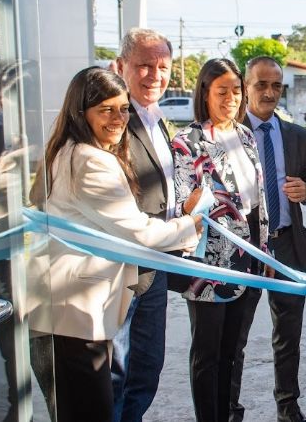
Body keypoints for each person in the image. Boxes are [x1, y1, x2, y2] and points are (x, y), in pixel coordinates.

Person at [27, 67, 201, 422]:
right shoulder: (91, 162)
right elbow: (139, 234)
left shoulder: (65, 152)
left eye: (123, 109)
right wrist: (191, 223)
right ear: (81, 111)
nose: (118, 118)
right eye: (106, 109)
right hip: (75, 319)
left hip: (65, 316)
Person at [171, 58, 268, 422]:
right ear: (205, 94)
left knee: (232, 351)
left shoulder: (244, 135)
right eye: (221, 91)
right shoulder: (187, 142)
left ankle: (229, 414)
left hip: (248, 264)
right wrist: (191, 203)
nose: (230, 98)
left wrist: (264, 256)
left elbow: (256, 202)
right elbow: (183, 205)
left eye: (236, 90)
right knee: (207, 354)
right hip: (207, 267)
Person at [230, 56, 306, 422]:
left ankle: (288, 406)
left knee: (288, 335)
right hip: (244, 249)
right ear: (246, 87)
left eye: (275, 86)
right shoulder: (228, 133)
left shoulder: (295, 135)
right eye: (260, 84)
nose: (268, 92)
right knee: (235, 337)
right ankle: (230, 409)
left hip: (286, 246)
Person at [111, 27, 177, 422]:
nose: (155, 75)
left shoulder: (157, 119)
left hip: (156, 265)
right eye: (144, 66)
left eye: (163, 66)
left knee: (146, 369)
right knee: (116, 373)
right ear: (121, 67)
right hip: (120, 269)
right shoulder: (112, 118)